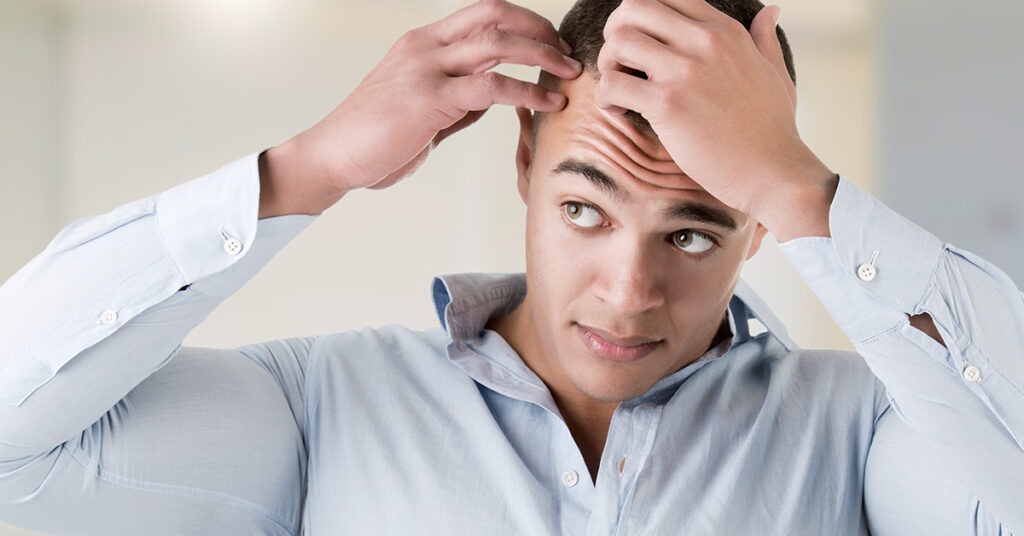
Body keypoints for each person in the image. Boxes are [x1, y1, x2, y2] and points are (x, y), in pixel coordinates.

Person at [0, 0, 1021, 533]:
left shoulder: (862, 428)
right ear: (525, 160)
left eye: (695, 231)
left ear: (756, 226)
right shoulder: (320, 408)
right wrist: (304, 168)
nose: (628, 289)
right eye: (585, 207)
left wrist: (808, 194)